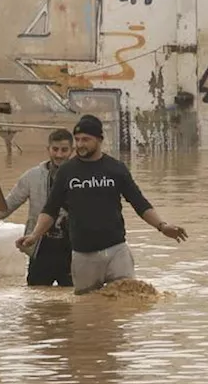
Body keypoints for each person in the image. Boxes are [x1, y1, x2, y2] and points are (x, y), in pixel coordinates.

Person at [16, 115, 187, 295]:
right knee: (87, 310)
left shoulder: (116, 169)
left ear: (99, 140)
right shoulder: (67, 172)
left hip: (117, 250)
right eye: (78, 139)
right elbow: (50, 210)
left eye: (86, 140)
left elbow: (140, 203)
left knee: (126, 302)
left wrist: (162, 226)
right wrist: (34, 236)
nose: (80, 144)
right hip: (83, 255)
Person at [0, 128, 75, 287]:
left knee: (74, 297)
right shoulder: (33, 176)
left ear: (72, 151)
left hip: (72, 247)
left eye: (64, 150)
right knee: (36, 296)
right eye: (55, 149)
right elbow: (11, 201)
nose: (59, 155)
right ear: (48, 150)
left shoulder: (80, 176)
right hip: (40, 245)